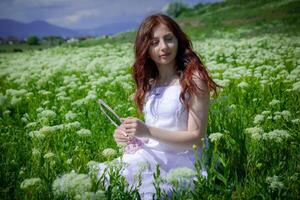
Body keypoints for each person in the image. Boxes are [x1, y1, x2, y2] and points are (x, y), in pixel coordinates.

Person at [98, 13, 219, 199]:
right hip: (151, 153)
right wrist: (128, 134)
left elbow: (196, 138)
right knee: (104, 179)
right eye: (154, 42)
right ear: (145, 48)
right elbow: (152, 130)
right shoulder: (150, 82)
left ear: (178, 40)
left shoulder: (193, 80)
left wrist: (147, 131)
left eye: (168, 39)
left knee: (149, 193)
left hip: (182, 161)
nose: (163, 47)